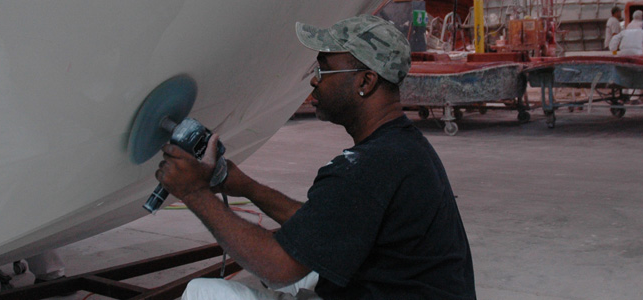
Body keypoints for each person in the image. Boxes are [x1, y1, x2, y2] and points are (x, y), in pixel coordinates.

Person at [161, 14, 476, 300]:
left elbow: (277, 267)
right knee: (303, 264)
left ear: (365, 82)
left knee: (204, 292)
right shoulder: (402, 145)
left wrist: (194, 192)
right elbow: (329, 224)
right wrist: (244, 186)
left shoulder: (366, 168)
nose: (314, 79)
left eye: (323, 69)